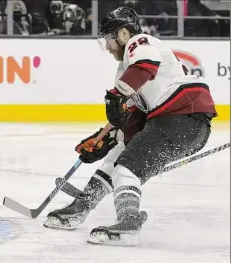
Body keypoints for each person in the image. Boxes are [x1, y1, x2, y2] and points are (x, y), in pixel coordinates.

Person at [44, 6, 217, 246]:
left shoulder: (140, 42)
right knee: (117, 155)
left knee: (127, 168)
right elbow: (133, 120)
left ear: (124, 34)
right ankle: (81, 206)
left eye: (108, 39)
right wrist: (104, 139)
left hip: (183, 119)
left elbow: (144, 67)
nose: (106, 46)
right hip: (174, 121)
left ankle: (129, 223)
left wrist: (116, 95)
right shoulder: (126, 70)